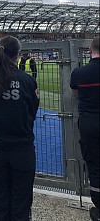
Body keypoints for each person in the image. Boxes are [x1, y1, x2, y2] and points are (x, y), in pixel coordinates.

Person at [0, 36, 39, 221]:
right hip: (22, 149)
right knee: (21, 203)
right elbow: (32, 111)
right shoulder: (27, 81)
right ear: (17, 54)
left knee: (0, 203)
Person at [70, 36, 100, 221]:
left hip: (89, 123)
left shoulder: (79, 73)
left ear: (90, 50)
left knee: (94, 166)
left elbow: (75, 94)